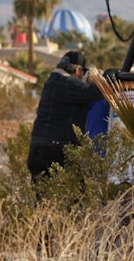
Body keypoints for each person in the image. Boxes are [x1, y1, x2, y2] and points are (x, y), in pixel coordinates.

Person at [27, 50, 105, 186]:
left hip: (37, 150)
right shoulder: (67, 84)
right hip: (56, 152)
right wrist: (108, 78)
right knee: (75, 199)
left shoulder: (51, 83)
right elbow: (96, 92)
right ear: (78, 70)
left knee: (42, 200)